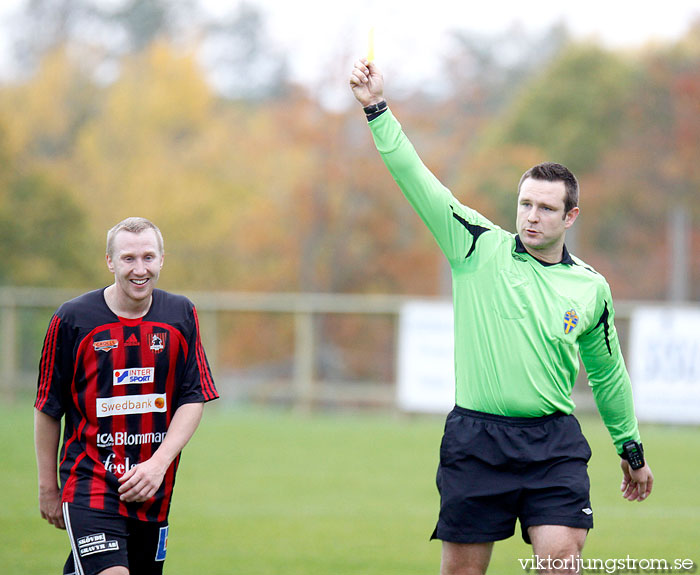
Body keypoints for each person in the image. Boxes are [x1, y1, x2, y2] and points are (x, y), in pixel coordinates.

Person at [350, 59, 654, 575]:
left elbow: (606, 374)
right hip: (477, 440)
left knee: (560, 558)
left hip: (552, 443)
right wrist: (376, 108)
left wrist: (630, 447)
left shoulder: (590, 287)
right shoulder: (476, 247)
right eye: (525, 204)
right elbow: (417, 179)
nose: (532, 216)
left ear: (570, 216)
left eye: (545, 208)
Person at [34, 217, 219, 575]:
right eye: (128, 258)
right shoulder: (73, 319)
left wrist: (158, 463)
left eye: (148, 257)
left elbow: (193, 398)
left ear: (162, 260)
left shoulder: (181, 315)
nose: (140, 269)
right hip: (89, 482)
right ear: (110, 261)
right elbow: (48, 408)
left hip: (152, 490)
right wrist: (47, 487)